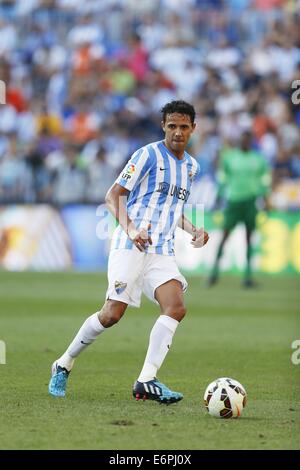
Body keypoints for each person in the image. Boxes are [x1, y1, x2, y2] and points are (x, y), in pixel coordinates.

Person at [48, 100, 209, 404]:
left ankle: (146, 380)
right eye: (172, 125)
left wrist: (194, 230)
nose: (177, 132)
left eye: (183, 126)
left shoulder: (191, 167)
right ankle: (64, 362)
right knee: (111, 315)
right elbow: (113, 196)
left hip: (161, 250)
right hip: (130, 245)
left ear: (193, 129)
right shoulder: (147, 155)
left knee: (175, 308)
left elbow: (173, 209)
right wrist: (133, 229)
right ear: (163, 126)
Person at [207, 131, 271, 288]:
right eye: (243, 140)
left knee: (249, 239)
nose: (245, 143)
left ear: (251, 142)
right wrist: (219, 198)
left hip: (251, 201)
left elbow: (264, 181)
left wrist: (266, 199)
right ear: (239, 141)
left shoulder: (259, 159)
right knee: (224, 237)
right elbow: (223, 179)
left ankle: (248, 276)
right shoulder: (229, 158)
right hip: (234, 201)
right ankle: (214, 273)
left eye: (247, 141)